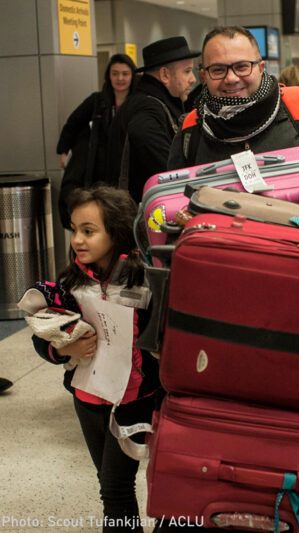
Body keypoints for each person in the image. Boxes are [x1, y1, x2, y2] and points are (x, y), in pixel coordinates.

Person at [29, 185, 158, 532]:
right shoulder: (68, 282)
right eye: (74, 229)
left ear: (116, 232)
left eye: (89, 231)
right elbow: (41, 337)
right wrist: (63, 350)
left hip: (132, 401)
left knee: (116, 487)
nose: (78, 240)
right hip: (87, 398)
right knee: (108, 485)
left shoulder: (144, 279)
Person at [167, 26, 299, 218]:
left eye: (242, 67)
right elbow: (171, 204)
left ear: (261, 68)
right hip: (225, 256)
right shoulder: (191, 130)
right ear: (204, 76)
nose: (231, 78)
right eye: (218, 70)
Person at [108, 36, 200, 202]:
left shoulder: (146, 101)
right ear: (165, 74)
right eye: (187, 71)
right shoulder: (148, 110)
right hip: (140, 213)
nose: (193, 79)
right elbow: (169, 170)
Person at [56, 54, 137, 227]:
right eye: (115, 73)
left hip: (123, 163)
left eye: (125, 73)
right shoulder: (97, 100)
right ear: (108, 76)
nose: (120, 78)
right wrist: (63, 151)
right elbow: (73, 122)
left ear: (132, 76)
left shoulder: (137, 102)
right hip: (99, 165)